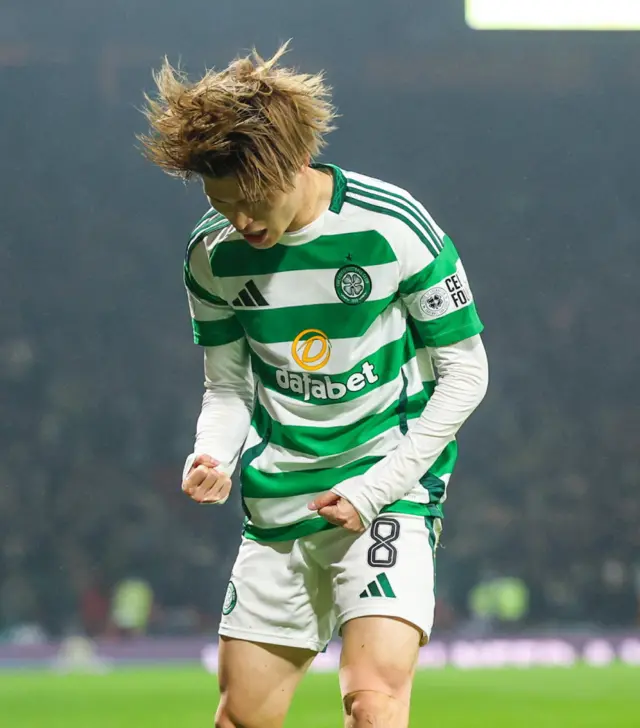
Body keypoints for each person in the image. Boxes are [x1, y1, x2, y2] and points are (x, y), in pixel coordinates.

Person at [140, 42, 489, 728]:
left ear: (295, 164)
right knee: (242, 718)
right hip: (281, 504)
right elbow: (229, 388)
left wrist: (375, 489)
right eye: (220, 200)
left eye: (251, 199)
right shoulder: (212, 257)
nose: (238, 219)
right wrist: (214, 452)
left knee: (373, 701)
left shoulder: (391, 225)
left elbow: (467, 371)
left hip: (386, 489)